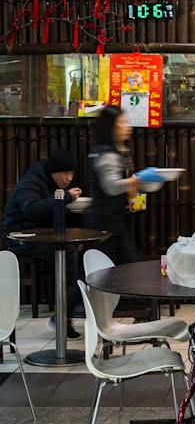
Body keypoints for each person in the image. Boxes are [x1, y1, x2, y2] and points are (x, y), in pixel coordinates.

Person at [2, 147, 84, 339]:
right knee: (68, 254)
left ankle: (65, 311)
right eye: (66, 173)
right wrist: (64, 197)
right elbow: (32, 210)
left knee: (71, 252)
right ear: (54, 171)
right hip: (18, 237)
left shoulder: (53, 183)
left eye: (72, 173)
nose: (69, 178)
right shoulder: (31, 183)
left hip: (43, 236)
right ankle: (63, 316)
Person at [85, 105, 164, 264]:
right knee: (111, 270)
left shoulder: (109, 150)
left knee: (122, 267)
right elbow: (111, 186)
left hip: (112, 223)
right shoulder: (107, 153)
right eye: (122, 123)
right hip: (104, 225)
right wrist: (138, 180)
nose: (127, 127)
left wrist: (136, 187)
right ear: (111, 127)